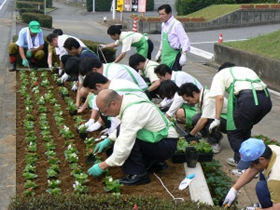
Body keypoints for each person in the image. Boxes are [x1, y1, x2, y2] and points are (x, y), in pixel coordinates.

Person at [87, 89, 179, 186]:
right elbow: (124, 126)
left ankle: (139, 174)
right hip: (164, 140)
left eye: (105, 111)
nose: (106, 115)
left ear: (113, 103)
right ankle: (154, 162)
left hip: (166, 145)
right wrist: (109, 140)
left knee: (129, 140)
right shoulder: (127, 99)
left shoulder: (132, 111)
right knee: (123, 132)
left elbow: (124, 146)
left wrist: (102, 166)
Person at [209, 62, 272, 167]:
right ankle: (244, 160)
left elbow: (219, 97)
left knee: (234, 132)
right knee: (245, 128)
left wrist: (216, 119)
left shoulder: (220, 74)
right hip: (266, 100)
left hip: (248, 99)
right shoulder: (245, 70)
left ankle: (246, 165)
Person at [82, 72, 148, 134]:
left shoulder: (116, 91)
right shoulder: (113, 84)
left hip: (143, 118)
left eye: (93, 92)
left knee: (107, 111)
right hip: (136, 112)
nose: (95, 94)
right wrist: (93, 120)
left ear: (98, 86)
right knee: (104, 112)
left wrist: (111, 136)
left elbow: (117, 119)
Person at [223, 138, 280, 210]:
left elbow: (277, 208)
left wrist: (256, 209)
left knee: (261, 187)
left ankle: (268, 205)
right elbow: (251, 170)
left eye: (252, 165)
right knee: (262, 170)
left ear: (262, 159)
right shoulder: (271, 150)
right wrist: (234, 189)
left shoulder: (275, 178)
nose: (250, 167)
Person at [177, 83, 228, 153]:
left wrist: (191, 134)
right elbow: (199, 117)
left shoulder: (208, 98)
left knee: (210, 120)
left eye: (188, 100)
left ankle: (215, 142)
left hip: (229, 122)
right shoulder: (200, 98)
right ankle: (208, 136)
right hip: (220, 119)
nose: (188, 103)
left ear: (194, 93)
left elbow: (204, 120)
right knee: (196, 118)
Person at [155, 4, 191, 71]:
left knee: (174, 78)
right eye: (160, 14)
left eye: (163, 14)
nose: (161, 16)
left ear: (170, 13)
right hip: (165, 55)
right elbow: (163, 40)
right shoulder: (163, 24)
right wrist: (160, 51)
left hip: (175, 56)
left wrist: (184, 54)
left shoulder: (176, 24)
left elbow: (185, 40)